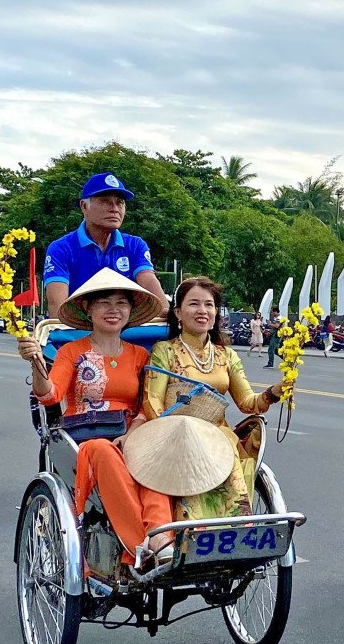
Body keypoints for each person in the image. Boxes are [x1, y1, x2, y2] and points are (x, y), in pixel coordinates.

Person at [16, 269, 171, 563]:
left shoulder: (140, 355)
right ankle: (138, 545)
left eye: (121, 303)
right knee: (103, 450)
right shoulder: (72, 351)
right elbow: (50, 395)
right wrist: (36, 363)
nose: (114, 310)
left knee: (153, 454)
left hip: (128, 432)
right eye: (104, 303)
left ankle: (161, 535)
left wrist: (135, 431)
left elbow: (148, 404)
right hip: (84, 442)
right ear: (88, 309)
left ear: (130, 310)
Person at [142, 277, 280, 520]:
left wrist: (273, 393)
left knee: (225, 449)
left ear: (217, 312)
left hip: (219, 438)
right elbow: (152, 400)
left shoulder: (226, 355)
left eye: (209, 305)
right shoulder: (165, 351)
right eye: (194, 304)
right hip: (178, 436)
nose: (202, 311)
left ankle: (237, 531)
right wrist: (173, 432)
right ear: (178, 312)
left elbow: (248, 402)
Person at [41, 173, 167, 320]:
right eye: (105, 201)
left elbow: (148, 280)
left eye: (120, 202)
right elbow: (58, 308)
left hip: (125, 331)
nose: (115, 208)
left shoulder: (135, 245)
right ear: (84, 206)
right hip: (76, 332)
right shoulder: (61, 248)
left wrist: (169, 315)